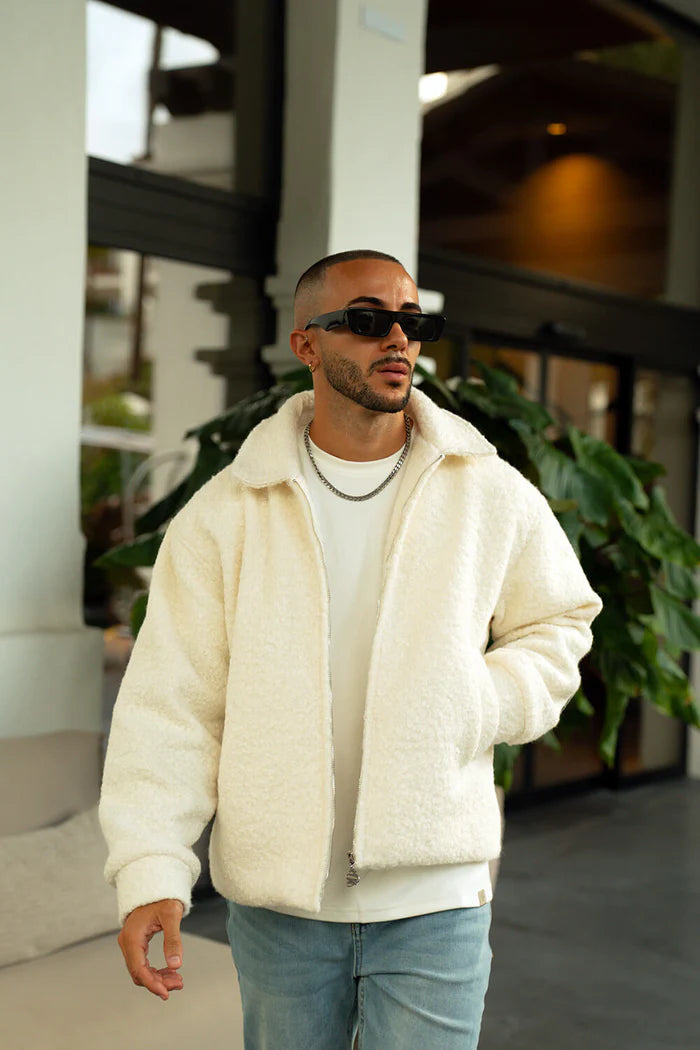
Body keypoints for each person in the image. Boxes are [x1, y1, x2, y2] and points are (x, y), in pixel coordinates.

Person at [99, 249, 603, 1049]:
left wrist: (479, 701)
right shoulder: (227, 513)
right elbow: (171, 705)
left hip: (436, 898)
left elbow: (560, 622)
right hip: (281, 911)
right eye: (368, 321)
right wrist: (152, 868)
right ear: (306, 344)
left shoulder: (487, 489)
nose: (397, 339)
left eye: (412, 322)